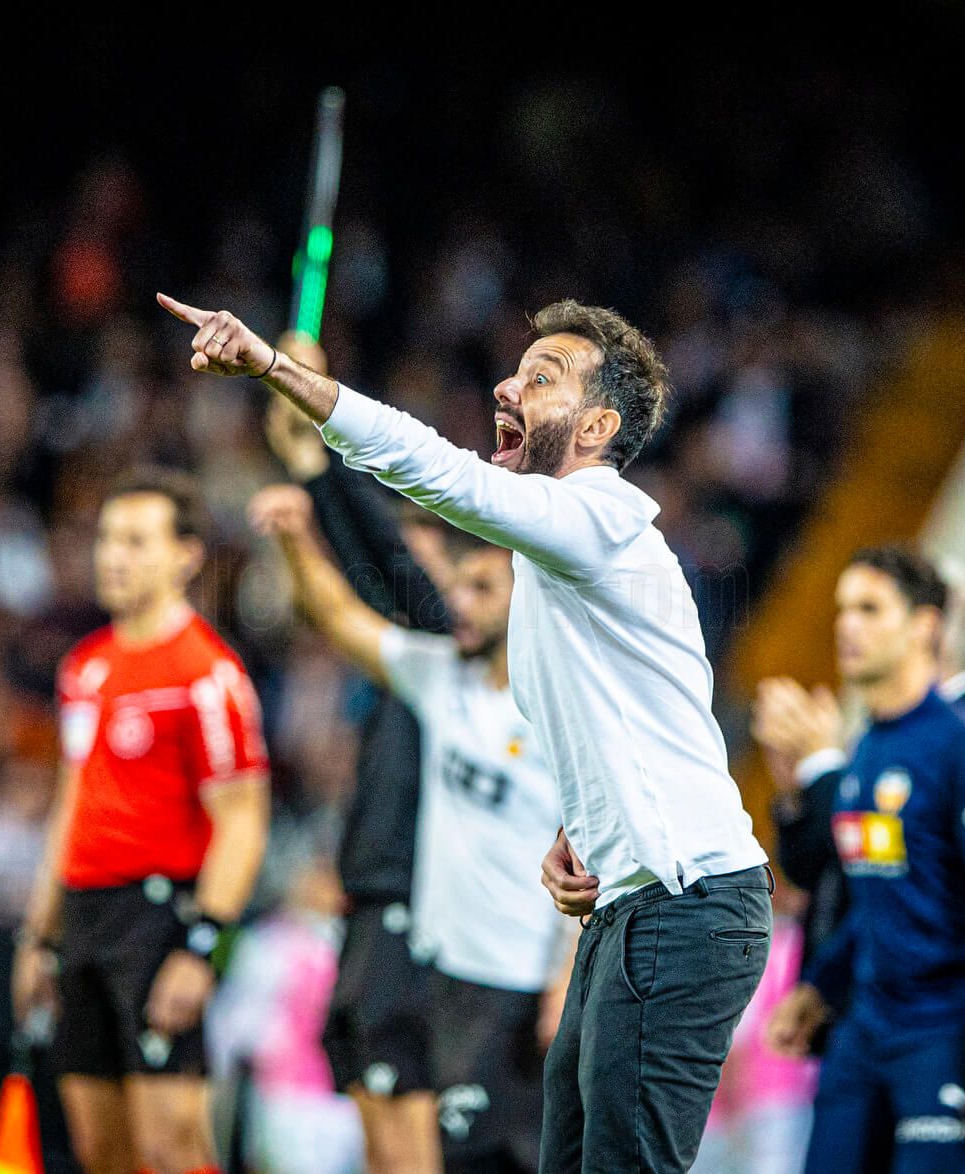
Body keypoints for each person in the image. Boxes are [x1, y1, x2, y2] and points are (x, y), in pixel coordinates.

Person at [158, 292, 769, 1173]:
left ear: (597, 428)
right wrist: (585, 822)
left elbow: (437, 473)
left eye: (543, 377)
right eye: (516, 370)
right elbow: (653, 707)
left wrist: (282, 374)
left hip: (686, 904)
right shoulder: (556, 566)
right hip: (629, 903)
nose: (507, 387)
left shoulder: (604, 514)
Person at [251, 482, 576, 1173]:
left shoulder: (566, 717)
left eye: (483, 588)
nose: (458, 602)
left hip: (517, 988)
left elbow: (596, 860)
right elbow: (339, 615)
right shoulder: (440, 679)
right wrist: (295, 538)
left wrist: (566, 978)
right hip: (444, 977)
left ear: (533, 600)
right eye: (457, 585)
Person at [12, 468, 271, 1174]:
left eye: (134, 540)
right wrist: (39, 935)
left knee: (172, 1148)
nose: (112, 556)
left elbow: (243, 821)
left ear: (186, 556)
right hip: (85, 920)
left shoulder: (207, 674)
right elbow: (73, 803)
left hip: (158, 921)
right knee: (101, 1149)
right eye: (106, 539)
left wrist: (201, 946)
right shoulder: (84, 668)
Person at [766, 547, 965, 1174]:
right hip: (866, 1028)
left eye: (869, 609)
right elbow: (880, 896)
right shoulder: (867, 748)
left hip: (944, 1032)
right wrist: (820, 987)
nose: (846, 626)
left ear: (925, 626)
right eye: (842, 609)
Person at [261, 334, 444, 1174]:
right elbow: (367, 587)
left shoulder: (465, 654)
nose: (427, 561)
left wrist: (318, 426)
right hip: (374, 905)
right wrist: (309, 466)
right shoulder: (423, 656)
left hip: (421, 909)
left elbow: (396, 574)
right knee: (381, 1127)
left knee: (415, 1136)